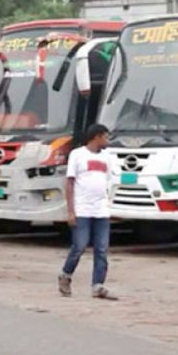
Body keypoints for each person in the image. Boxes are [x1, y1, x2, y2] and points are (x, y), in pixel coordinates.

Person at [58, 124, 117, 300]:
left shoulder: (107, 157)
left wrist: (110, 204)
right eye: (105, 137)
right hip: (82, 208)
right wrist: (71, 210)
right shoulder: (77, 155)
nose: (107, 141)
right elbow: (70, 183)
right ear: (96, 137)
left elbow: (109, 181)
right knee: (80, 246)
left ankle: (98, 285)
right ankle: (66, 274)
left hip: (101, 210)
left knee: (102, 249)